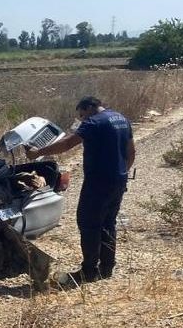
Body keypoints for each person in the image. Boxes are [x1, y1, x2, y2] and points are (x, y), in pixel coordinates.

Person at [26, 96, 135, 284]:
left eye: (82, 115)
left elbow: (68, 144)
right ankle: (107, 268)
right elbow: (131, 151)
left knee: (89, 224)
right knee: (108, 223)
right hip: (118, 179)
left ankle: (89, 271)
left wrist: (37, 153)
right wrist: (122, 173)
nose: (82, 119)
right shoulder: (121, 119)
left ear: (90, 108)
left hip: (97, 182)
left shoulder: (93, 123)